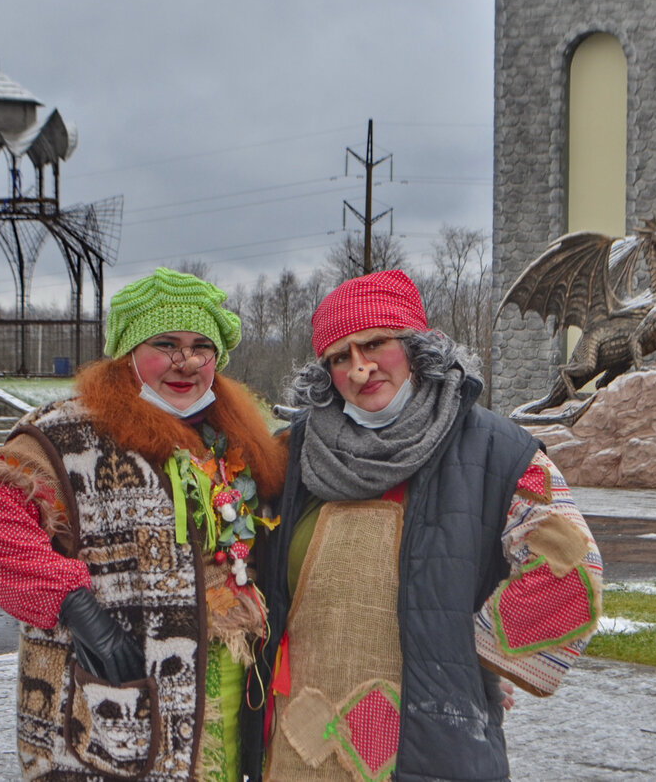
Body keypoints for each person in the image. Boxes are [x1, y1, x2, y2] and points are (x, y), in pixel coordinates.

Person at [249, 270, 603, 781]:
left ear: (416, 347)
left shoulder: (496, 451)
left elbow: (573, 569)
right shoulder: (291, 455)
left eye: (375, 344)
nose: (360, 368)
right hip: (295, 747)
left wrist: (477, 654)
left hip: (431, 753)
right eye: (339, 357)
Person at [0, 267, 287, 781]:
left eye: (201, 347)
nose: (185, 362)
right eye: (165, 344)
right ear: (127, 353)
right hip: (113, 702)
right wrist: (79, 611)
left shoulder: (230, 434)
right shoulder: (65, 434)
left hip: (229, 694)